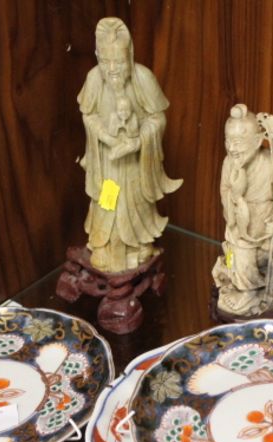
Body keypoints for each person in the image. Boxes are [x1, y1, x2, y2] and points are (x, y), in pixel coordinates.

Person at [77, 18, 182, 273]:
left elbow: (158, 118)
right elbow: (88, 115)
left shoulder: (143, 78)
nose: (112, 69)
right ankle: (103, 243)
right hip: (107, 162)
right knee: (106, 202)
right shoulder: (94, 79)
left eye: (120, 62)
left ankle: (139, 244)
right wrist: (104, 135)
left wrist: (138, 142)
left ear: (130, 55)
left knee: (134, 201)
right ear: (97, 57)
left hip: (135, 163)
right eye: (105, 61)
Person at [212, 104, 273, 315]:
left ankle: (249, 293)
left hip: (262, 229)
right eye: (227, 141)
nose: (232, 148)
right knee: (233, 256)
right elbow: (224, 188)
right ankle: (238, 286)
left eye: (238, 143)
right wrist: (233, 202)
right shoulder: (229, 163)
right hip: (238, 225)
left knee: (244, 259)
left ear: (258, 140)